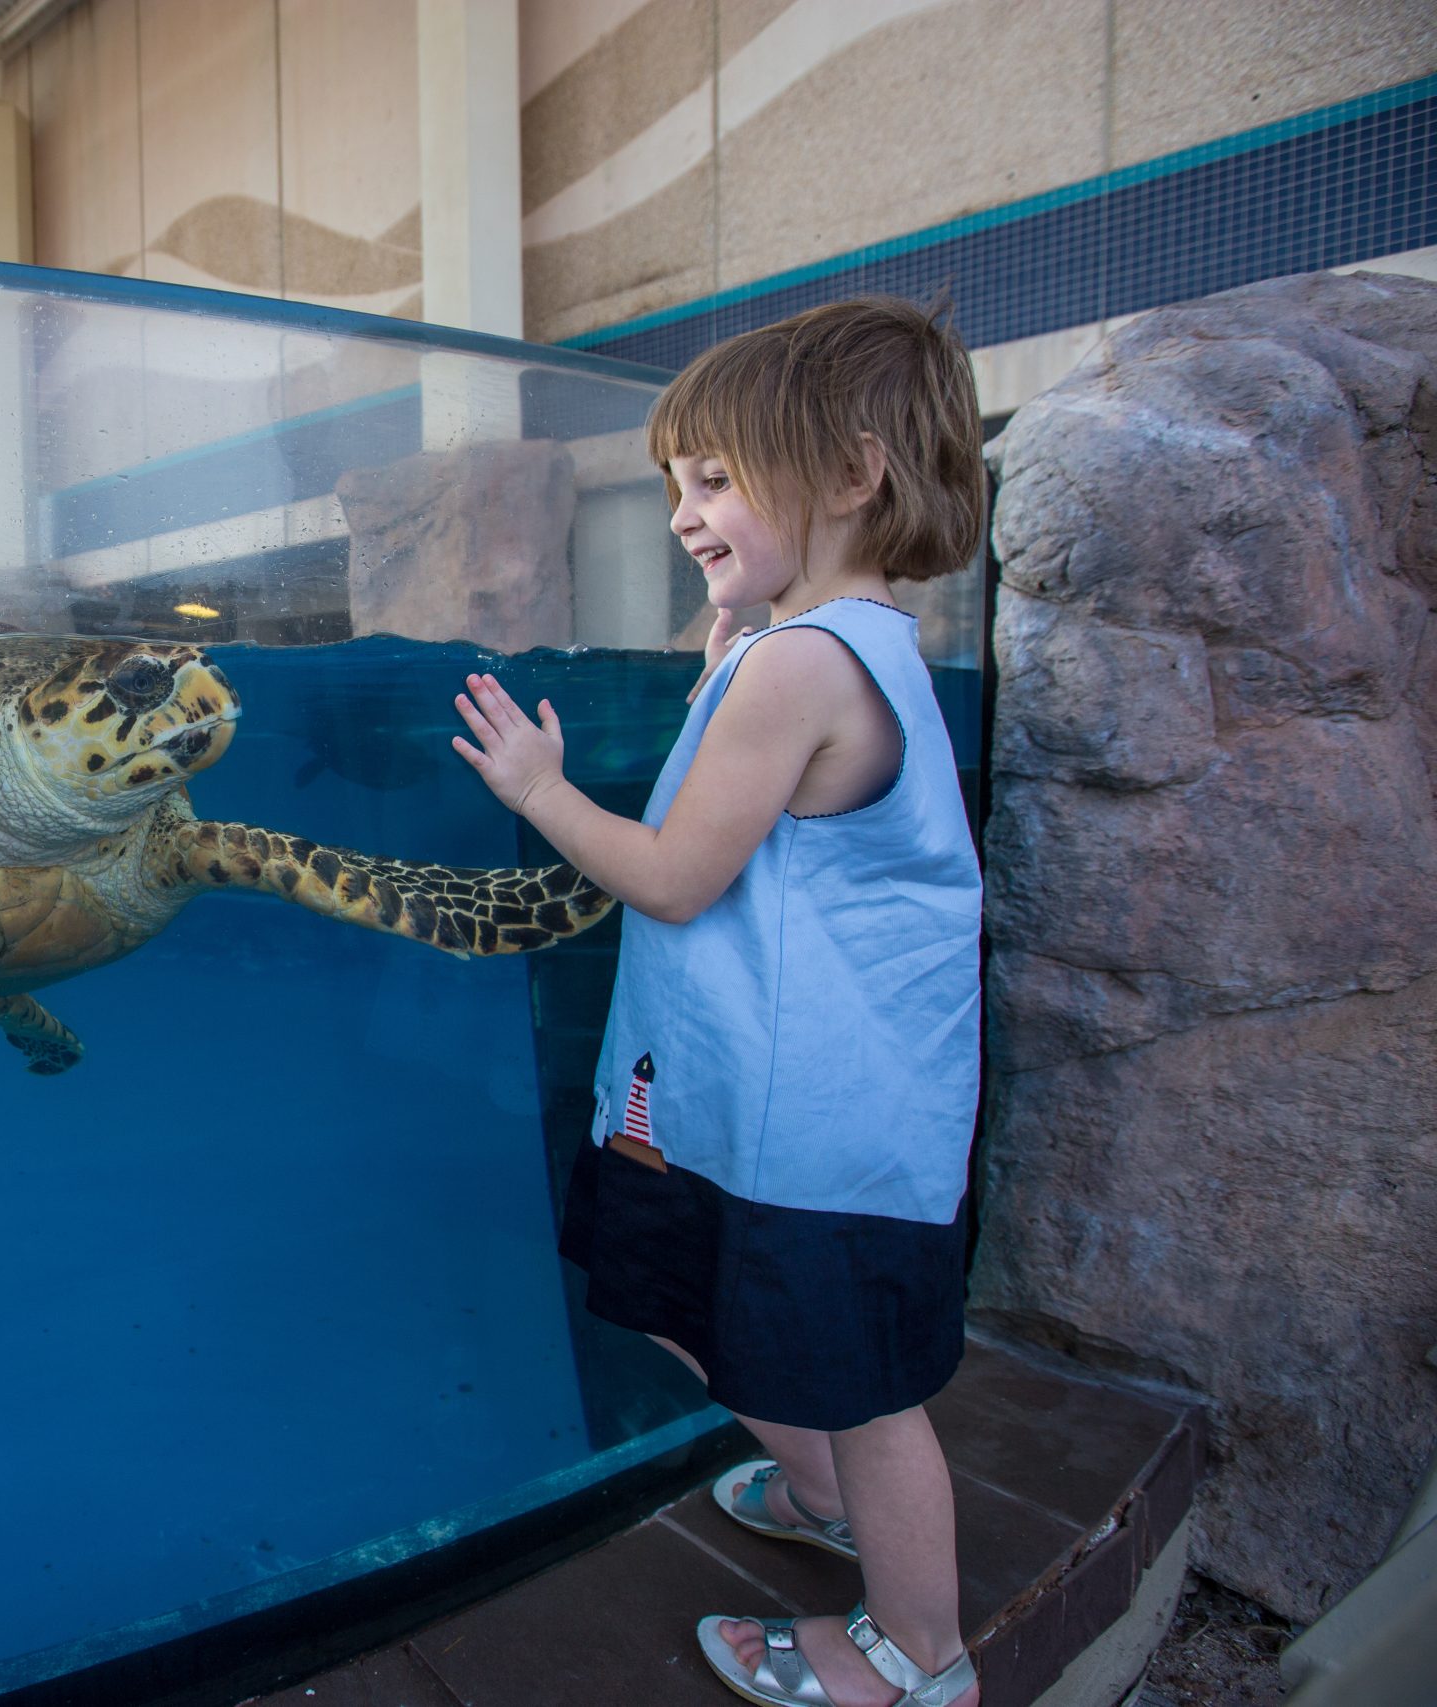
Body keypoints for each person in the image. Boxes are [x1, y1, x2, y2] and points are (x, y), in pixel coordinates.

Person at [450, 296, 986, 1707]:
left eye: (714, 478)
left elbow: (678, 878)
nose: (683, 512)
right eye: (675, 482)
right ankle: (823, 1497)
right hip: (771, 1107)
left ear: (852, 474)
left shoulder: (801, 665)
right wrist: (731, 625)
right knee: (698, 1306)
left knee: (869, 1394)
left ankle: (919, 1657)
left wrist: (539, 791)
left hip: (817, 1131)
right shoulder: (843, 642)